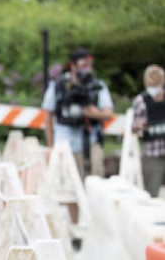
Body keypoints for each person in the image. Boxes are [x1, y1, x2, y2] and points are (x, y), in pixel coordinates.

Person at [40, 48, 113, 240]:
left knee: (95, 185)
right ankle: (76, 229)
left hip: (90, 142)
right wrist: (51, 145)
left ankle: (95, 227)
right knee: (71, 189)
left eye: (89, 65)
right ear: (72, 66)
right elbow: (48, 116)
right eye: (83, 65)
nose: (87, 69)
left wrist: (91, 112)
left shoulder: (97, 86)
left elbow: (108, 112)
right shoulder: (58, 86)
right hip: (66, 144)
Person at [132, 65, 165, 197]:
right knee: (151, 194)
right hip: (152, 153)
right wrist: (141, 127)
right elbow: (136, 127)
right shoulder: (142, 101)